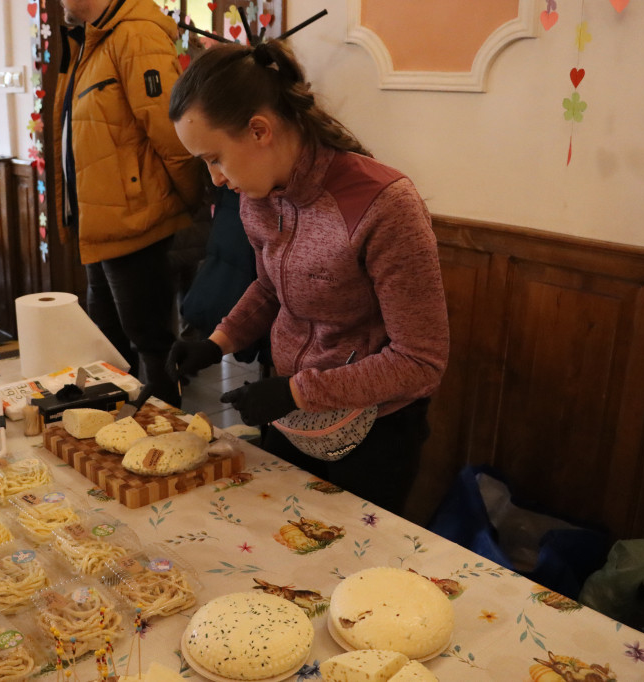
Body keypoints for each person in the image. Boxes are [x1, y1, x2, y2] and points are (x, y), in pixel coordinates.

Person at [166, 41, 450, 515]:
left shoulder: (387, 205)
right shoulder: (259, 196)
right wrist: (217, 341)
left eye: (214, 157)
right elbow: (270, 288)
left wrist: (297, 390)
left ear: (259, 130)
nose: (215, 177)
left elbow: (421, 360)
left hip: (372, 438)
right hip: (293, 415)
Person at [53, 0, 203, 407]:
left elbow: (174, 135)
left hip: (137, 222)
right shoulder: (94, 40)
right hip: (103, 225)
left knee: (150, 347)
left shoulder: (135, 34)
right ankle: (117, 447)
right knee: (109, 349)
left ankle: (166, 444)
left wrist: (192, 204)